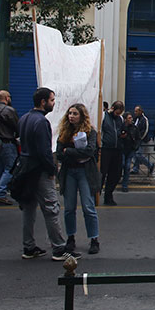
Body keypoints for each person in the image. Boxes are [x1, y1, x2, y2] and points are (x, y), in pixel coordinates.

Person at [19, 87, 78, 261]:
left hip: (25, 168)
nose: (54, 103)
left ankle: (28, 246)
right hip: (39, 170)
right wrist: (52, 170)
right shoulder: (41, 122)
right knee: (51, 208)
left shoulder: (24, 118)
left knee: (28, 208)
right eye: (52, 100)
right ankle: (59, 248)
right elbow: (44, 151)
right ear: (43, 102)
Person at [55, 104, 100, 255]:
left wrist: (70, 151)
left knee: (88, 206)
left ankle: (94, 239)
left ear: (82, 116)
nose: (71, 116)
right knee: (69, 208)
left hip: (85, 172)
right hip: (70, 172)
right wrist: (75, 153)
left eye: (75, 113)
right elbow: (59, 153)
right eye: (69, 113)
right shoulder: (64, 132)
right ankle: (70, 237)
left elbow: (90, 150)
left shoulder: (90, 131)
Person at [0, 90, 19, 205]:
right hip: (7, 142)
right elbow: (17, 127)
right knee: (10, 168)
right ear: (7, 98)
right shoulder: (9, 111)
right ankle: (1, 193)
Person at [100, 101, 124, 206]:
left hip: (117, 149)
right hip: (106, 149)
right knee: (102, 173)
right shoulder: (104, 117)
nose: (118, 115)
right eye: (117, 113)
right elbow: (100, 131)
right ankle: (96, 193)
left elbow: (120, 131)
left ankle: (108, 196)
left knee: (115, 174)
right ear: (113, 109)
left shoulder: (120, 119)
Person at [128, 106, 153, 175]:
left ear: (140, 111)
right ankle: (136, 168)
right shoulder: (136, 119)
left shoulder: (144, 119)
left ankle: (150, 165)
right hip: (135, 140)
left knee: (138, 154)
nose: (135, 112)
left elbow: (145, 130)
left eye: (136, 111)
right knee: (135, 154)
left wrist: (140, 138)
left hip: (142, 140)